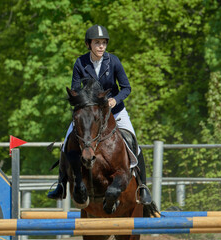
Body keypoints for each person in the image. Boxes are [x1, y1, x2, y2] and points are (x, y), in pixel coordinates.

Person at [47, 24, 152, 205]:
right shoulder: (80, 63)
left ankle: (143, 187)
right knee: (66, 144)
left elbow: (126, 88)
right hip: (89, 115)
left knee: (134, 141)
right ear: (89, 45)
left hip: (115, 112)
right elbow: (75, 89)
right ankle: (61, 184)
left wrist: (115, 100)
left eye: (103, 43)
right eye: (97, 43)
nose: (101, 46)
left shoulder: (114, 62)